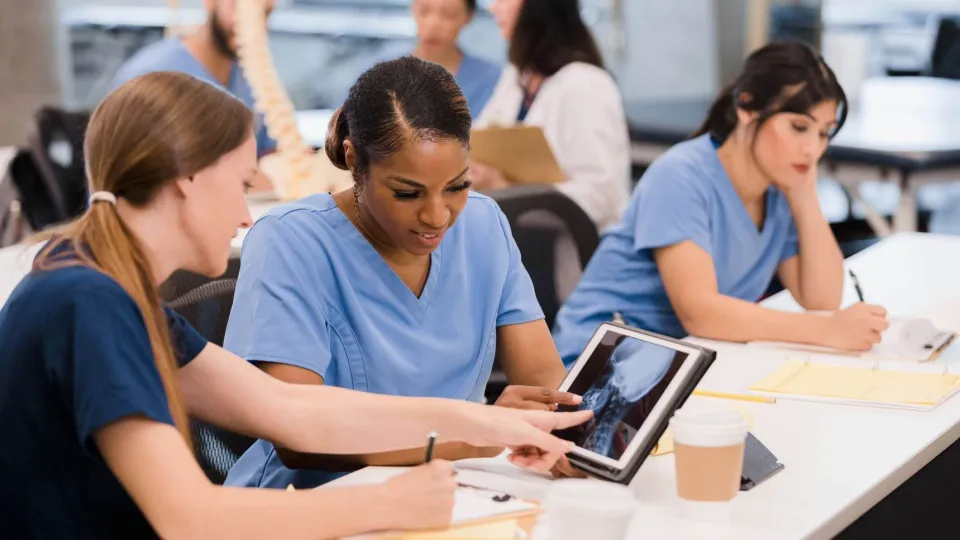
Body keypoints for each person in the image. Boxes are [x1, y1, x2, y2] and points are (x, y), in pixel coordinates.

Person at [0, 71, 592, 539]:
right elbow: (191, 519)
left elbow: (287, 408)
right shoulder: (88, 305)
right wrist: (388, 504)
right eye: (241, 184)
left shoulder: (97, 285)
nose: (244, 215)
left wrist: (488, 422)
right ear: (186, 180)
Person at [223, 56, 582, 490]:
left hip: (453, 489)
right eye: (407, 193)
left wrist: (572, 442)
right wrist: (477, 433)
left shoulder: (484, 226)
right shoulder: (290, 242)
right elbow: (298, 438)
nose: (437, 216)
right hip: (310, 499)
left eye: (458, 186)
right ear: (354, 161)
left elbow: (546, 387)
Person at [552, 41, 891, 367]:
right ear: (747, 107)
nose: (812, 149)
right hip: (600, 365)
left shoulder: (779, 189)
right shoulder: (681, 175)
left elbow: (821, 299)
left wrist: (804, 194)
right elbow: (700, 312)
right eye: (799, 127)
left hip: (677, 363)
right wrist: (825, 330)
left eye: (823, 133)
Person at [470, 0, 631, 231]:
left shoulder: (586, 84)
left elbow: (600, 197)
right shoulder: (518, 76)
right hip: (521, 237)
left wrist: (504, 189)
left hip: (576, 246)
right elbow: (477, 144)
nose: (494, 7)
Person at [110, 0, 276, 158]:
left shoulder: (254, 79)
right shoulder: (148, 77)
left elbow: (269, 150)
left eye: (265, 13)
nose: (251, 25)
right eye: (239, 6)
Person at [411, 0, 502, 117]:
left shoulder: (494, 80)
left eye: (449, 15)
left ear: (469, 17)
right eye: (424, 11)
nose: (433, 24)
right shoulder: (388, 71)